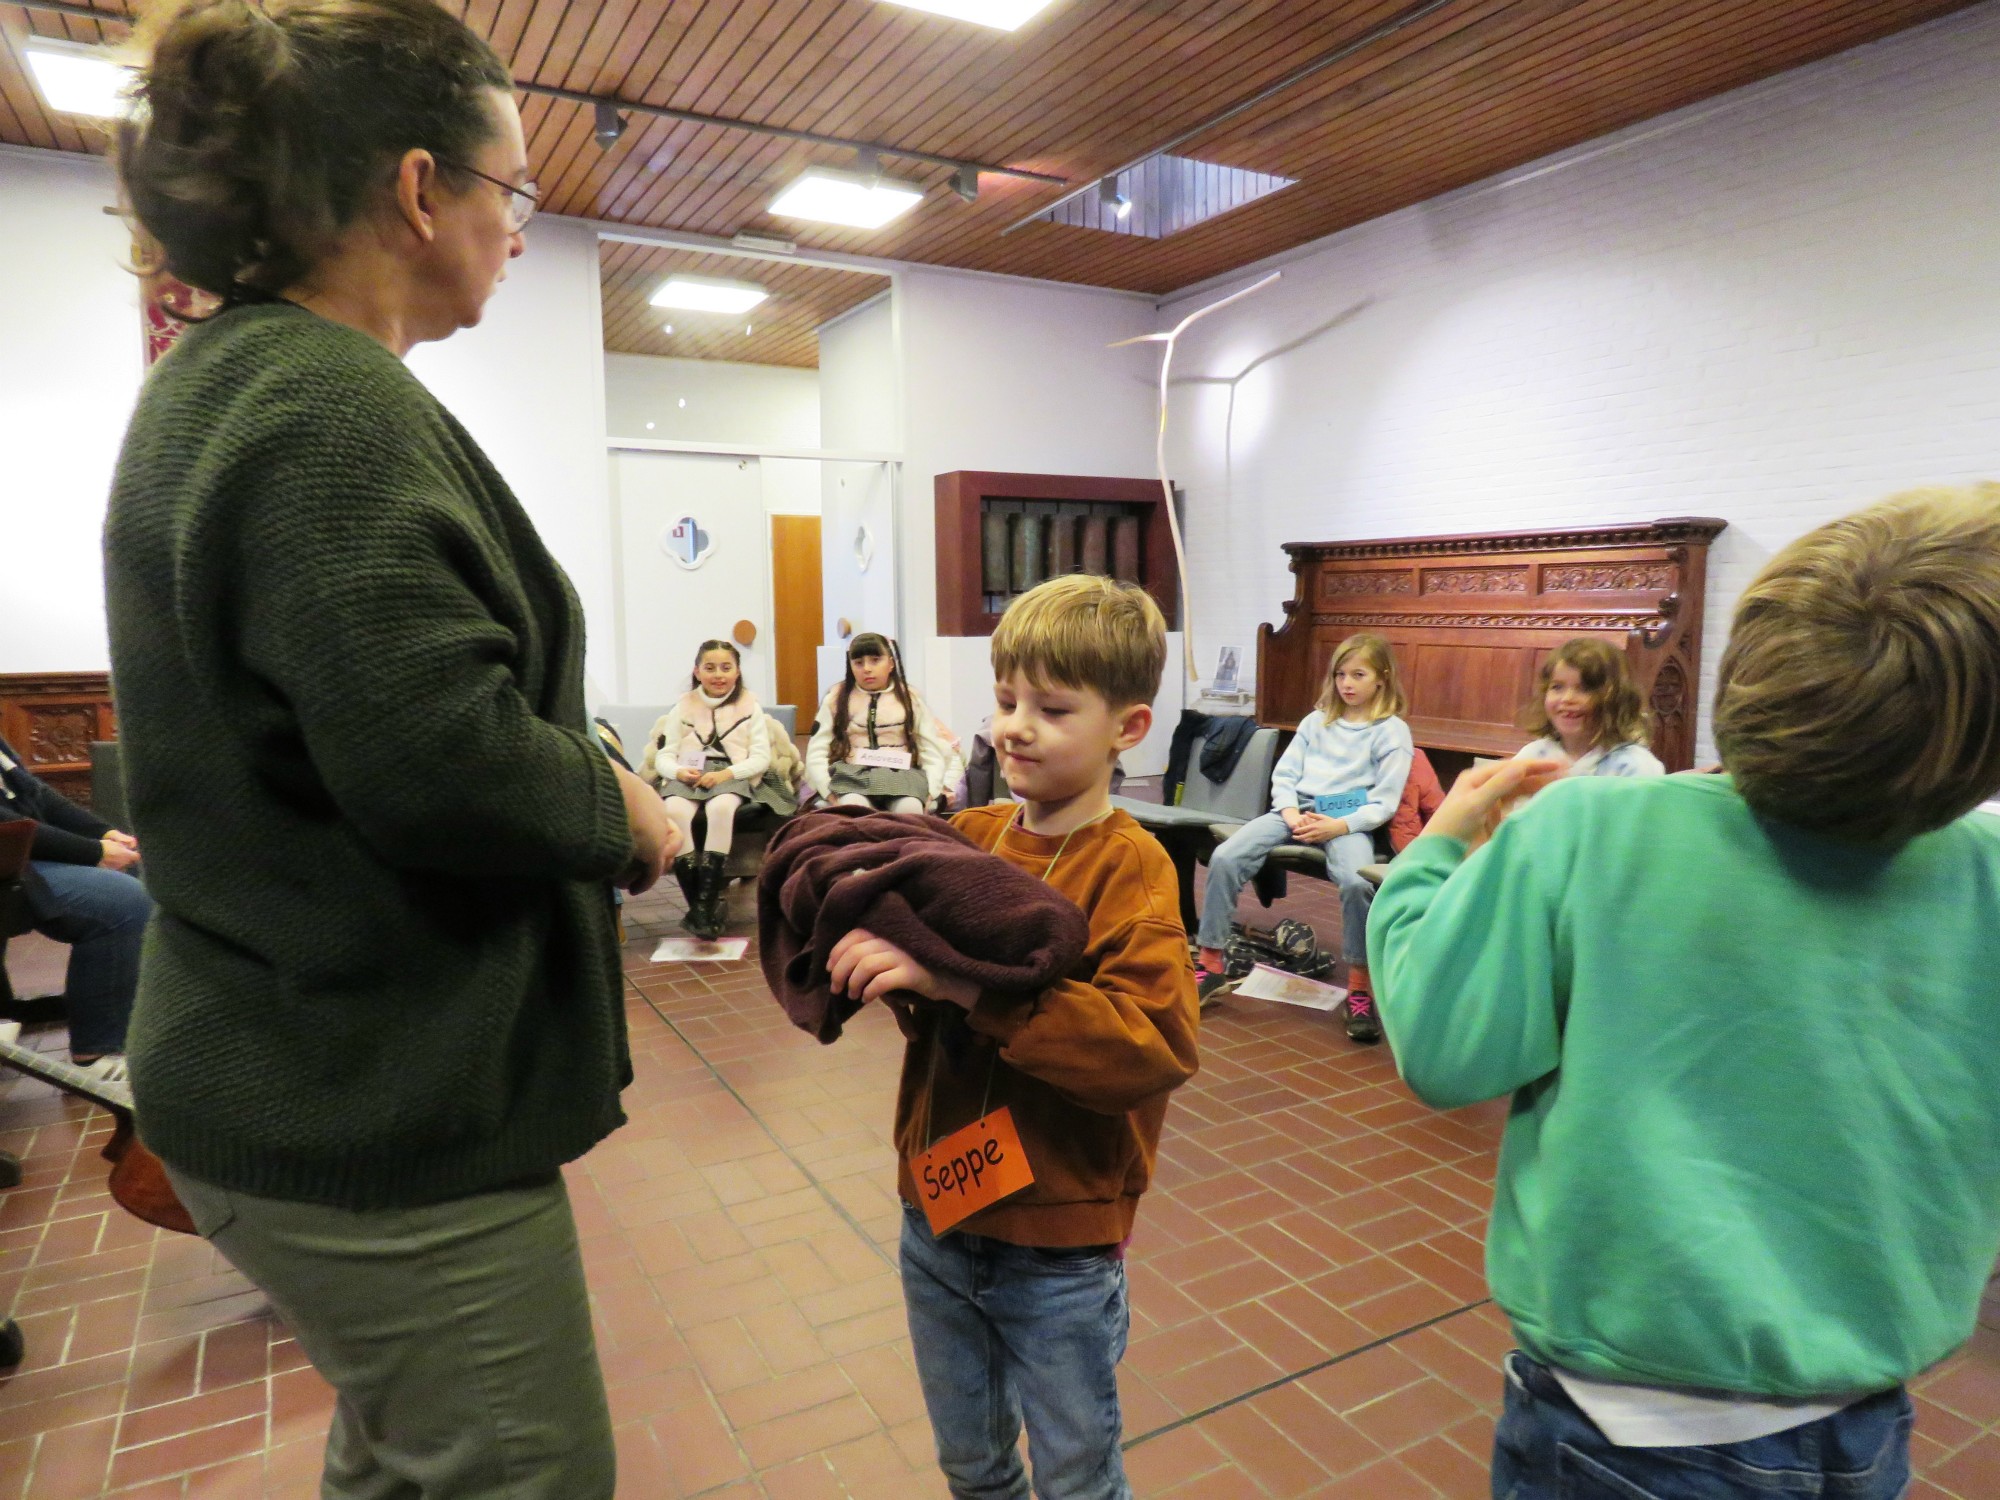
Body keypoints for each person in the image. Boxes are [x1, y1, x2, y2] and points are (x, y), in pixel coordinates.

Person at [103, 2, 677, 1496]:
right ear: (420, 190)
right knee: (518, 1472)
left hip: (293, 1066)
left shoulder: (245, 382)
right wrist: (621, 810)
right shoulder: (320, 409)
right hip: (369, 1098)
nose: (523, 231)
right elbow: (440, 761)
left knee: (396, 1455)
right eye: (516, 190)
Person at [1368, 486, 2000, 1500]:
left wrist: (1438, 847)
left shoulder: (1587, 830)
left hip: (1629, 1419)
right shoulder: (1986, 870)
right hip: (1865, 1410)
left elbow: (1442, 1050)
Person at [826, 575, 1199, 1500]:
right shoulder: (975, 837)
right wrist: (890, 965)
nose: (1014, 726)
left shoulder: (1132, 868)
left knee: (1075, 1474)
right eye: (1004, 700)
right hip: (939, 1218)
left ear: (1130, 727)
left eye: (1052, 707)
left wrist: (964, 985)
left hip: (1057, 1247)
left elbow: (1148, 1048)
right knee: (972, 1463)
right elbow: (932, 995)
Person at [1194, 633, 1413, 1042]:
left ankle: (1360, 990)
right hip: (1296, 810)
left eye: (1358, 674)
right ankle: (1211, 963)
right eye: (1341, 674)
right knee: (1226, 856)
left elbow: (1383, 801)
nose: (1347, 683)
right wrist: (1291, 812)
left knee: (1355, 880)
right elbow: (1286, 774)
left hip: (1348, 816)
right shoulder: (1318, 720)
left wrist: (1337, 825)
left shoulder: (1392, 731)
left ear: (1381, 678)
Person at [0, 735, 152, 1078]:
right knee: (124, 902)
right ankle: (96, 1053)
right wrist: (93, 852)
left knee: (148, 871)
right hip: (9, 865)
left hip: (20, 854)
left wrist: (105, 833)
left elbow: (38, 795)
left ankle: (153, 1011)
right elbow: (7, 823)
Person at [642, 639, 795, 939]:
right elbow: (664, 754)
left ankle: (703, 907)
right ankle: (703, 910)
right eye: (709, 668)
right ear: (697, 672)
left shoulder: (749, 705)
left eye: (726, 667)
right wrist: (677, 772)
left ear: (737, 672)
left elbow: (760, 758)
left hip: (733, 773)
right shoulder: (682, 707)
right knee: (674, 810)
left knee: (721, 807)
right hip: (688, 773)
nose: (718, 675)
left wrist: (727, 773)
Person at [806, 633, 958, 814]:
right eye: (859, 663)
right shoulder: (836, 698)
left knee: (909, 811)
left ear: (891, 664)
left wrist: (931, 793)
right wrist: (828, 793)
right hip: (850, 775)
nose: (867, 669)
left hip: (903, 776)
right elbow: (817, 751)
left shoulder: (910, 698)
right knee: (854, 810)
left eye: (875, 660)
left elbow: (930, 751)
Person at [1513, 638, 1666, 778]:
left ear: (1615, 698)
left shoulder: (1633, 765)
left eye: (1584, 689)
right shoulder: (1534, 755)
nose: (1567, 699)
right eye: (1557, 687)